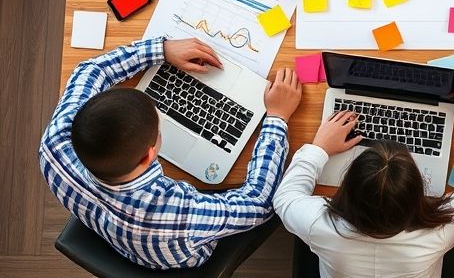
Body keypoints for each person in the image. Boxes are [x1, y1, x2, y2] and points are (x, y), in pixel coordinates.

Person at [38, 38, 300, 269]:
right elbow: (259, 205)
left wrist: (160, 50)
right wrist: (277, 117)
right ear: (149, 155)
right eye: (159, 127)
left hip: (111, 227)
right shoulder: (177, 214)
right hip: (178, 254)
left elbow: (91, 70)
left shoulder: (55, 142)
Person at [273, 77, 454, 278]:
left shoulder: (318, 225)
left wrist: (320, 147)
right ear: (419, 194)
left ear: (347, 188)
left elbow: (284, 198)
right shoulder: (439, 233)